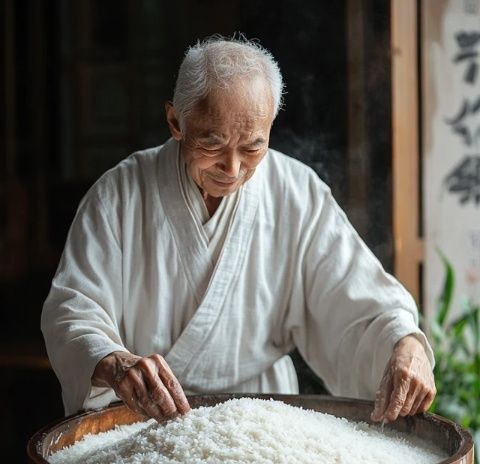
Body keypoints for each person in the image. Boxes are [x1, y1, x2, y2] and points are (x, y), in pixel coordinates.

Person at [41, 35, 436, 423]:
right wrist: (115, 363)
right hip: (142, 419)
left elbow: (359, 302)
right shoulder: (118, 195)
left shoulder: (296, 192)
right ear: (175, 121)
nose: (232, 169)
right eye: (212, 144)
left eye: (252, 147)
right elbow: (74, 311)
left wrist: (404, 344)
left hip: (263, 417)